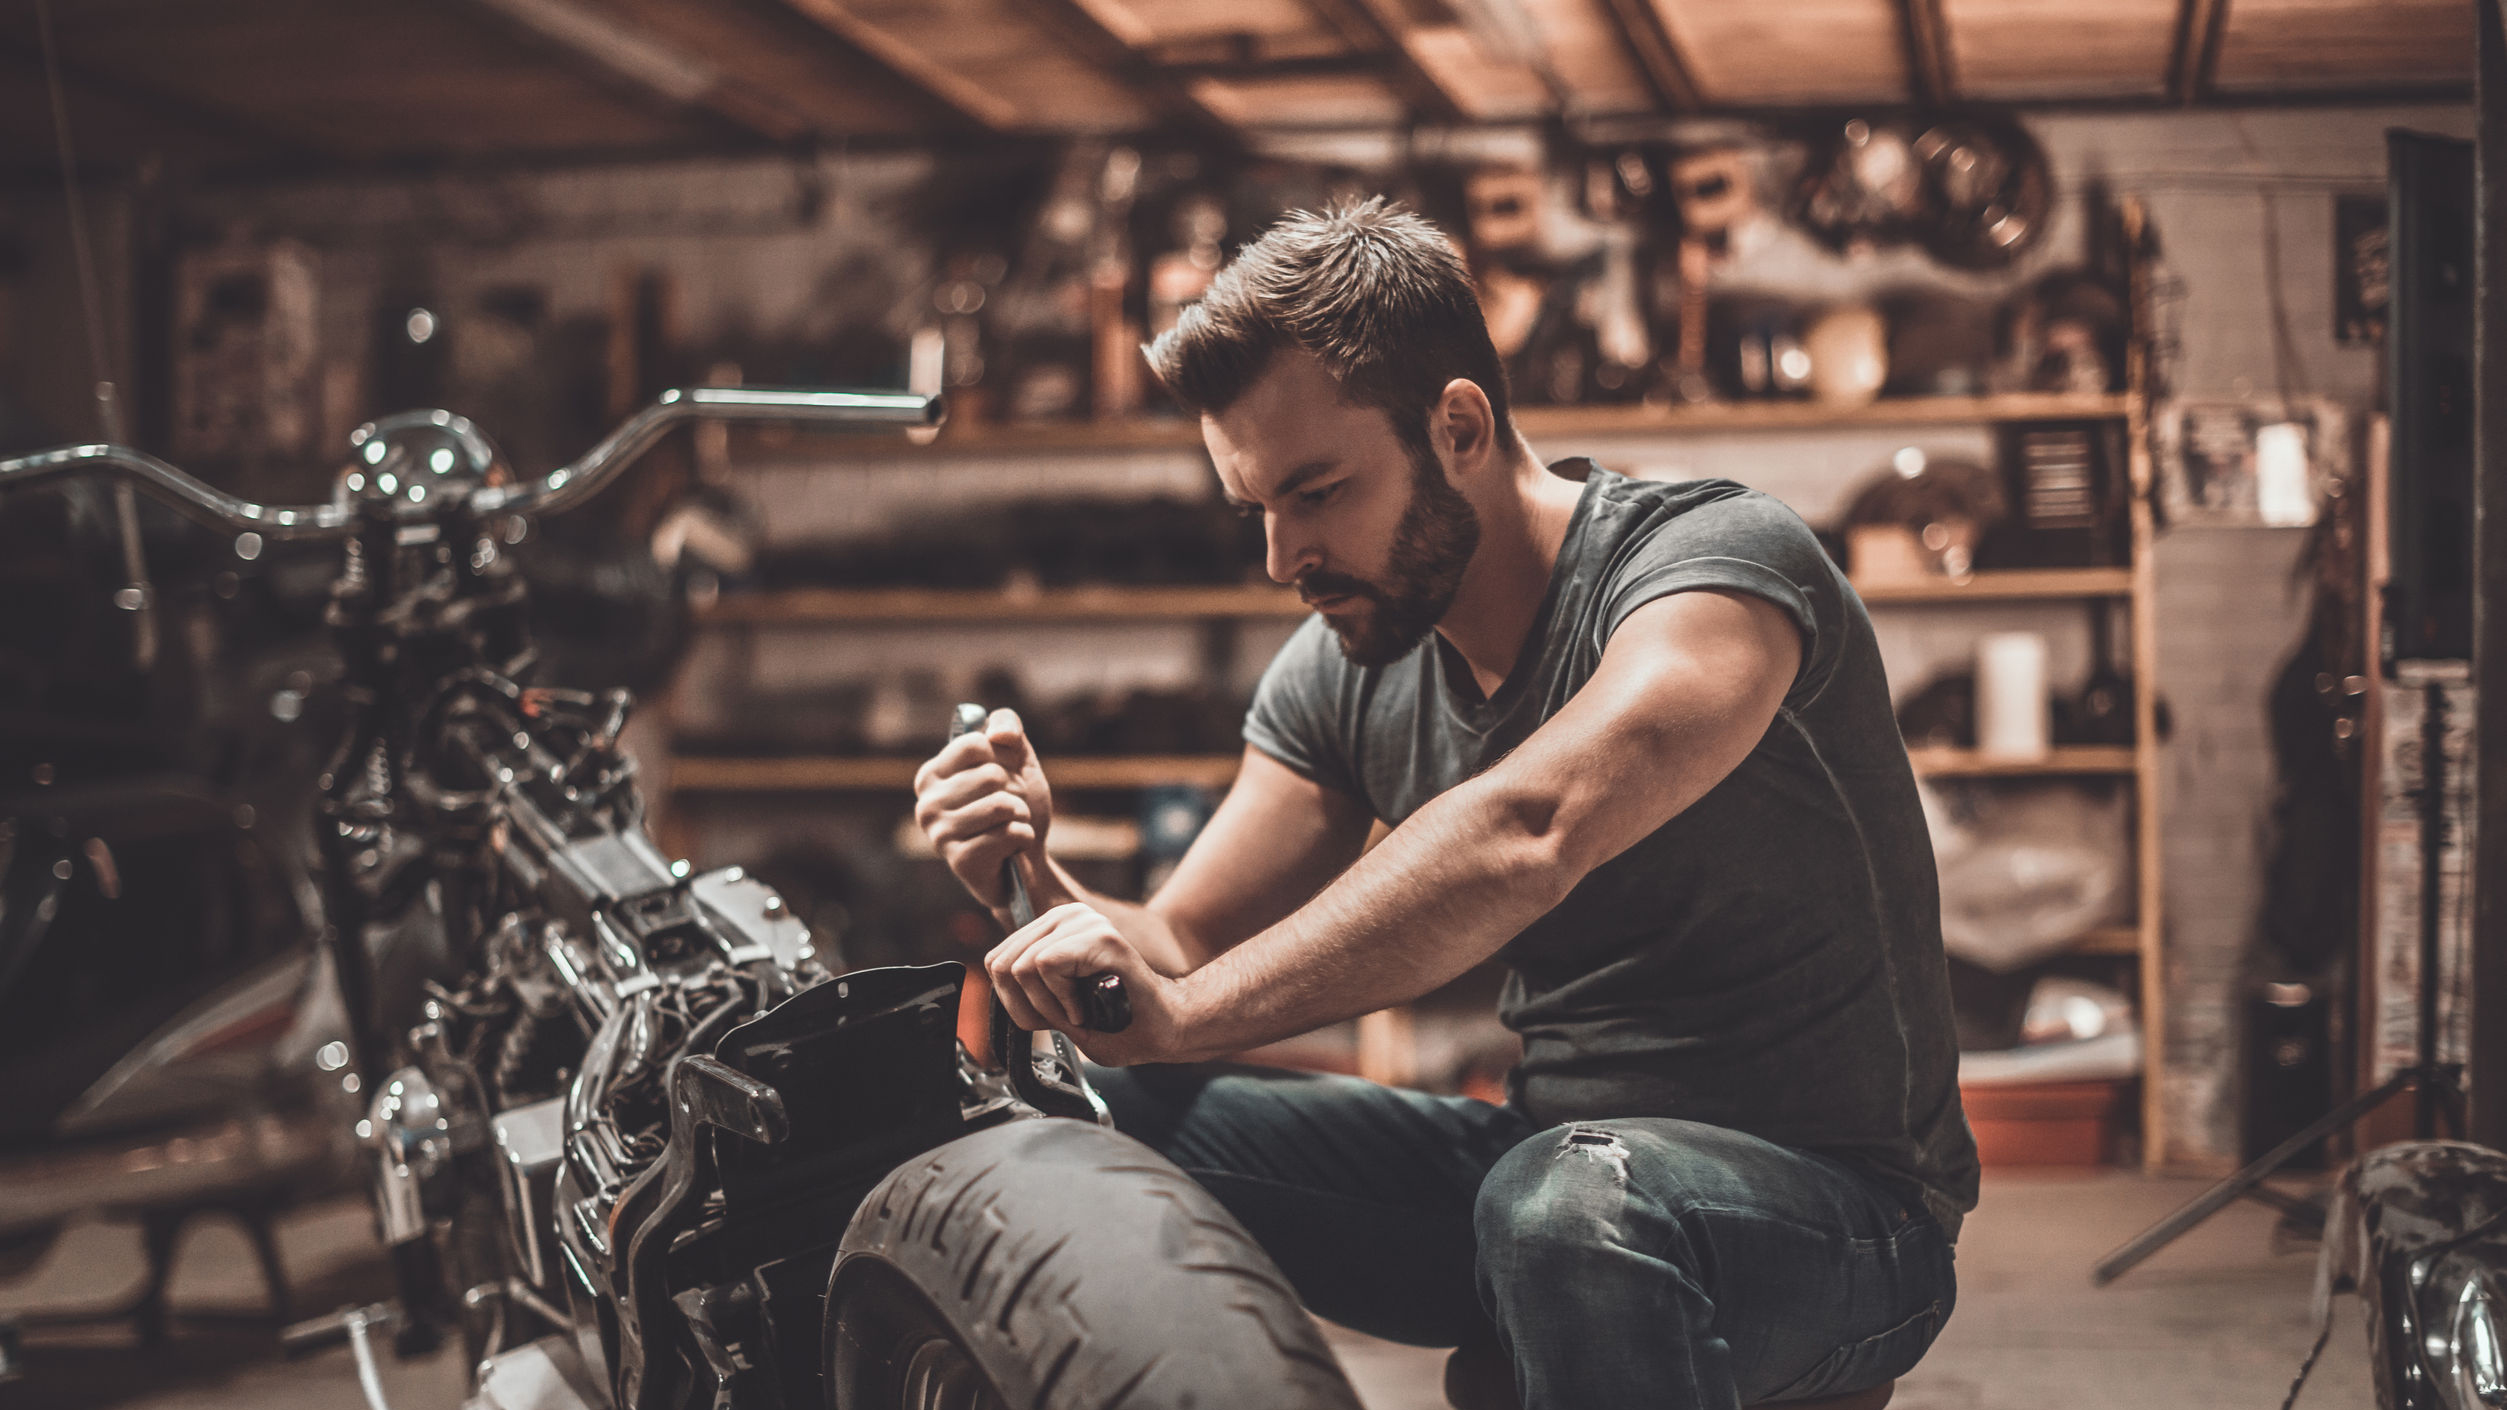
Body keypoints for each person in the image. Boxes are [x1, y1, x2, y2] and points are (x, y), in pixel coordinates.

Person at [911, 198, 1976, 1409]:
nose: (1281, 558)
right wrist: (1038, 890)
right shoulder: (1349, 660)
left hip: (1839, 1218)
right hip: (1549, 1188)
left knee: (1574, 1210)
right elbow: (1179, 944)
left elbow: (1529, 832)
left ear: (1458, 425)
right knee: (1098, 1101)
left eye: (1315, 492)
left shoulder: (1715, 571)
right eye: (1255, 507)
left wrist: (1189, 1009)